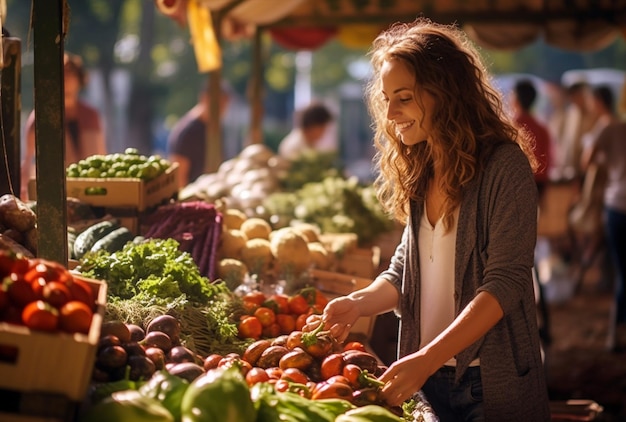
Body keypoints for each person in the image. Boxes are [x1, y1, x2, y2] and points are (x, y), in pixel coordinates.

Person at [305, 18, 550, 421]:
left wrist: (426, 358)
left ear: (445, 93)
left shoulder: (505, 167)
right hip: (427, 379)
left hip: (487, 382)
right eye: (386, 98)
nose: (391, 112)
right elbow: (407, 270)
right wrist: (358, 303)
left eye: (404, 97)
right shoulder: (423, 164)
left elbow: (505, 284)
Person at [21, 52, 106, 199]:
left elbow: (101, 155)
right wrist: (24, 190)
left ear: (79, 79)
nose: (67, 78)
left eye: (70, 73)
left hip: (91, 191)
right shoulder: (42, 117)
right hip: (54, 194)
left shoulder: (91, 115)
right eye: (63, 73)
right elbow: (28, 158)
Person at [581, 87, 626, 352]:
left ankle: (614, 331)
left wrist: (604, 160)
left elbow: (588, 162)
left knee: (622, 270)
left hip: (617, 204)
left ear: (599, 102)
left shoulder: (605, 127)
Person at [167, 80, 231, 188]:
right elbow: (178, 178)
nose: (222, 110)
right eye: (219, 104)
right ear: (204, 98)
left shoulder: (216, 128)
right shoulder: (188, 132)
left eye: (225, 105)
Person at [511, 78, 552, 201]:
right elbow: (547, 161)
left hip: (515, 184)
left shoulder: (510, 127)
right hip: (539, 184)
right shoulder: (542, 128)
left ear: (516, 99)